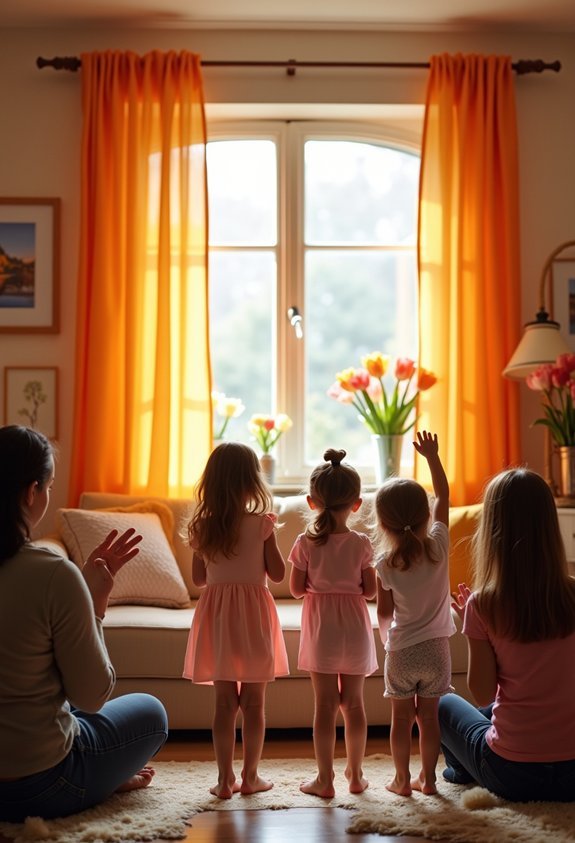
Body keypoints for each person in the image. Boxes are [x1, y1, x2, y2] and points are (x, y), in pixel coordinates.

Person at [0, 425, 168, 823]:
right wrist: (94, 603)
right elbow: (92, 696)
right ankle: (99, 783)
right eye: (49, 486)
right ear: (30, 492)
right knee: (152, 712)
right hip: (42, 784)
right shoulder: (52, 573)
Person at [439, 467, 575, 802]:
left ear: (492, 531)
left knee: (442, 704)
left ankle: (461, 772)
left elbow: (483, 692)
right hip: (572, 775)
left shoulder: (484, 605)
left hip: (512, 774)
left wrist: (475, 631)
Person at [182, 442, 289, 799]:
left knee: (224, 704)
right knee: (254, 704)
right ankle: (251, 776)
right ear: (250, 483)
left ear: (210, 483)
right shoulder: (262, 524)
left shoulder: (202, 528)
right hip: (254, 616)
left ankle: (225, 779)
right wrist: (268, 538)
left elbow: (199, 580)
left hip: (218, 616)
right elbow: (276, 574)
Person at [289, 448, 377, 798]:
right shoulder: (362, 543)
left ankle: (324, 781)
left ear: (312, 502)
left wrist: (319, 586)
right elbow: (370, 591)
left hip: (321, 628)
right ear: (356, 504)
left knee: (324, 706)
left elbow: (295, 590)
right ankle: (355, 776)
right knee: (354, 705)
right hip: (354, 628)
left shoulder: (305, 542)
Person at [374, 430, 455, 796]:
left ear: (384, 524)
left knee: (401, 720)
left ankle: (402, 780)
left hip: (402, 652)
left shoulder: (384, 564)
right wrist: (432, 458)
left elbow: (384, 613)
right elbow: (445, 496)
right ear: (425, 515)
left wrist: (386, 643)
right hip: (436, 651)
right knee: (429, 720)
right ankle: (430, 779)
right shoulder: (439, 546)